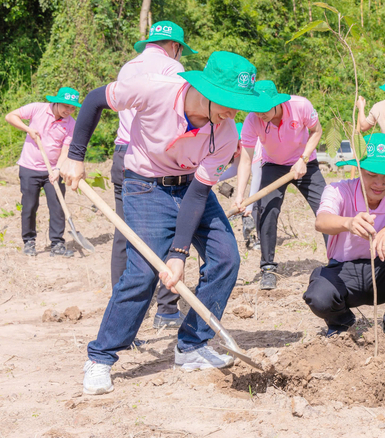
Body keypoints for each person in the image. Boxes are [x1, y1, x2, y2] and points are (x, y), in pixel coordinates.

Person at [60, 52, 273, 395]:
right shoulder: (153, 89)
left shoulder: (226, 134)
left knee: (226, 258)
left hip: (190, 187)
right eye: (227, 103)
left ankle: (191, 345)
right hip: (144, 186)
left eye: (238, 106)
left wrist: (179, 252)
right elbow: (95, 99)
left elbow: (199, 195)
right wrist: (75, 156)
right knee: (143, 273)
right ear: (205, 90)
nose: (232, 114)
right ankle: (101, 356)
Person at [304, 133, 385, 344]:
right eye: (372, 174)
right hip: (345, 272)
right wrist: (347, 223)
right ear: (359, 169)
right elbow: (321, 221)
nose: (379, 183)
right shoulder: (339, 190)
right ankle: (341, 322)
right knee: (319, 296)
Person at [111, 20, 197, 329]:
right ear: (174, 46)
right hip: (158, 159)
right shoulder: (174, 70)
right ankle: (167, 310)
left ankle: (123, 314)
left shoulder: (127, 68)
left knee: (126, 236)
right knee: (169, 232)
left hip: (123, 155)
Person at [234, 80, 325, 290]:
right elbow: (246, 160)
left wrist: (303, 158)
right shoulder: (251, 120)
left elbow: (317, 131)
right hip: (273, 165)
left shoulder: (301, 106)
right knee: (266, 211)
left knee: (326, 210)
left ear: (277, 102)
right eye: (256, 110)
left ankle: (339, 262)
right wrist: (240, 195)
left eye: (265, 109)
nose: (260, 114)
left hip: (305, 163)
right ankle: (267, 268)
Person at [5, 87, 81, 258]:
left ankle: (57, 243)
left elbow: (65, 150)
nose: (68, 111)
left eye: (72, 108)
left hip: (53, 171)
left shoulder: (71, 124)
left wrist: (57, 169)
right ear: (57, 102)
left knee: (57, 206)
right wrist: (28, 129)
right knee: (29, 206)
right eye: (66, 106)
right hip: (29, 167)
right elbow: (9, 116)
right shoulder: (37, 108)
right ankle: (29, 241)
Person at [218, 122, 263, 250]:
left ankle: (261, 240)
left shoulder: (250, 144)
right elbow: (235, 168)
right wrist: (214, 179)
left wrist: (249, 203)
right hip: (260, 173)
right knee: (254, 209)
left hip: (268, 169)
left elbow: (257, 175)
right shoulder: (237, 148)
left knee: (258, 208)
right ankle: (256, 238)